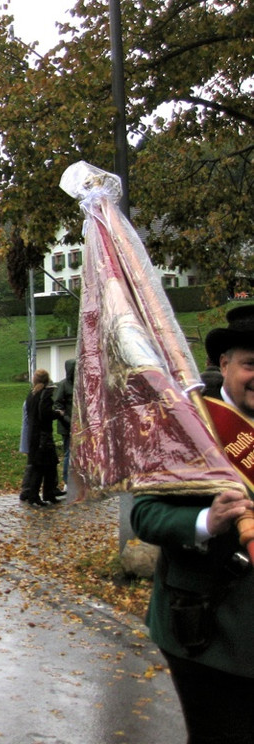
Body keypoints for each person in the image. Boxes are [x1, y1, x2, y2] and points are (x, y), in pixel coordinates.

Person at [132, 304, 254, 743]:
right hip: (209, 632)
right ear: (225, 365)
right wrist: (207, 519)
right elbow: (144, 513)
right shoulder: (187, 424)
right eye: (250, 364)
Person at [18, 368, 65, 506]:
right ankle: (38, 495)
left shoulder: (31, 394)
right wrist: (58, 414)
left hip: (33, 435)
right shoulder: (45, 395)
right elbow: (45, 414)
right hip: (43, 436)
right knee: (44, 467)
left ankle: (44, 494)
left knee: (44, 466)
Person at [52, 359, 75, 492]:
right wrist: (67, 420)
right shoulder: (63, 385)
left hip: (78, 425)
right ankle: (67, 480)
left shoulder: (80, 384)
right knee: (68, 452)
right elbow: (57, 405)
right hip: (66, 425)